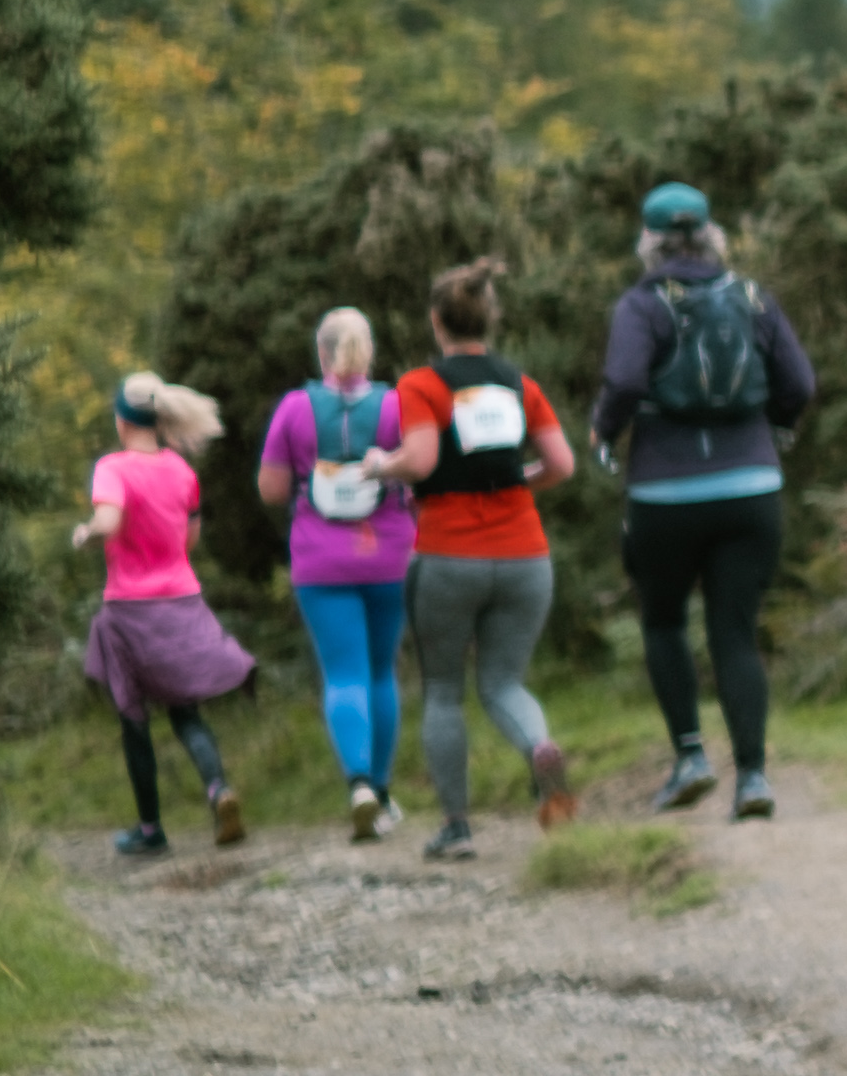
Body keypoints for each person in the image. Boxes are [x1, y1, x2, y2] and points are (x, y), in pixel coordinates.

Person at [591, 179, 817, 820]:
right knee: (735, 631)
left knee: (663, 620)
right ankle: (752, 777)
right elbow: (799, 383)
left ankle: (690, 757)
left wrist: (605, 431)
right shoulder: (752, 297)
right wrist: (770, 424)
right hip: (752, 488)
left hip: (663, 491)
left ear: (650, 243)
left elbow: (626, 378)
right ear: (711, 235)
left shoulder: (641, 305)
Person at [387, 261, 581, 858]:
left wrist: (379, 467)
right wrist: (520, 478)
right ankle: (539, 749)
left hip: (448, 555)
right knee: (503, 683)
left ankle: (456, 827)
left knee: (444, 690)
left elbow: (418, 461)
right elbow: (562, 466)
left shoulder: (420, 384)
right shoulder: (520, 385)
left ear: (435, 321)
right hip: (526, 557)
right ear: (489, 318)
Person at [258, 306, 424, 841]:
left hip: (320, 559)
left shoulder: (293, 408)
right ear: (369, 349)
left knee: (344, 673)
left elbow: (272, 490)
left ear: (321, 352)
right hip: (390, 556)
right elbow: (420, 477)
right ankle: (383, 790)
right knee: (381, 672)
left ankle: (357, 784)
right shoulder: (398, 405)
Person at [78, 374, 258, 858]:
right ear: (157, 420)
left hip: (129, 611)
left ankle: (151, 829)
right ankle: (219, 789)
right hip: (181, 601)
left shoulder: (112, 468)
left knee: (133, 720)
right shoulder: (181, 471)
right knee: (186, 713)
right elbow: (188, 540)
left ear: (121, 419)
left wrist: (86, 534)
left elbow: (109, 522)